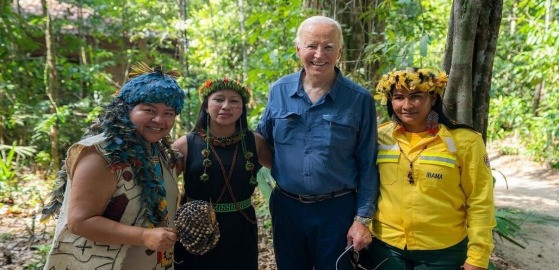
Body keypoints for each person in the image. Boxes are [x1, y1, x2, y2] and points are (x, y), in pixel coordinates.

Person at [256, 16, 379, 270]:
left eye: (329, 47)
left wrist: (362, 219)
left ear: (340, 52)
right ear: (298, 49)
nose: (319, 54)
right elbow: (260, 142)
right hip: (286, 206)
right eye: (312, 46)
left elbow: (367, 163)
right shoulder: (279, 91)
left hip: (337, 210)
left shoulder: (359, 100)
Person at [40, 63, 185, 270]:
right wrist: (144, 236)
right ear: (126, 110)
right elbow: (80, 221)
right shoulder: (101, 154)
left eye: (168, 113)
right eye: (149, 110)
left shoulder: (161, 152)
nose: (159, 119)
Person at [369, 68, 496, 270]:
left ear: (433, 98)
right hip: (386, 248)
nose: (407, 105)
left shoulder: (466, 141)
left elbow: (480, 201)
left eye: (416, 96)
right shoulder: (380, 136)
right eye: (399, 97)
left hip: (443, 253)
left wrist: (477, 257)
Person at [172, 78, 272, 270]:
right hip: (196, 228)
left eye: (234, 101)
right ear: (206, 106)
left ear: (242, 108)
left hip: (241, 226)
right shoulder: (185, 144)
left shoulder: (255, 142)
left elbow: (283, 171)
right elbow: (162, 184)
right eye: (218, 99)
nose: (226, 106)